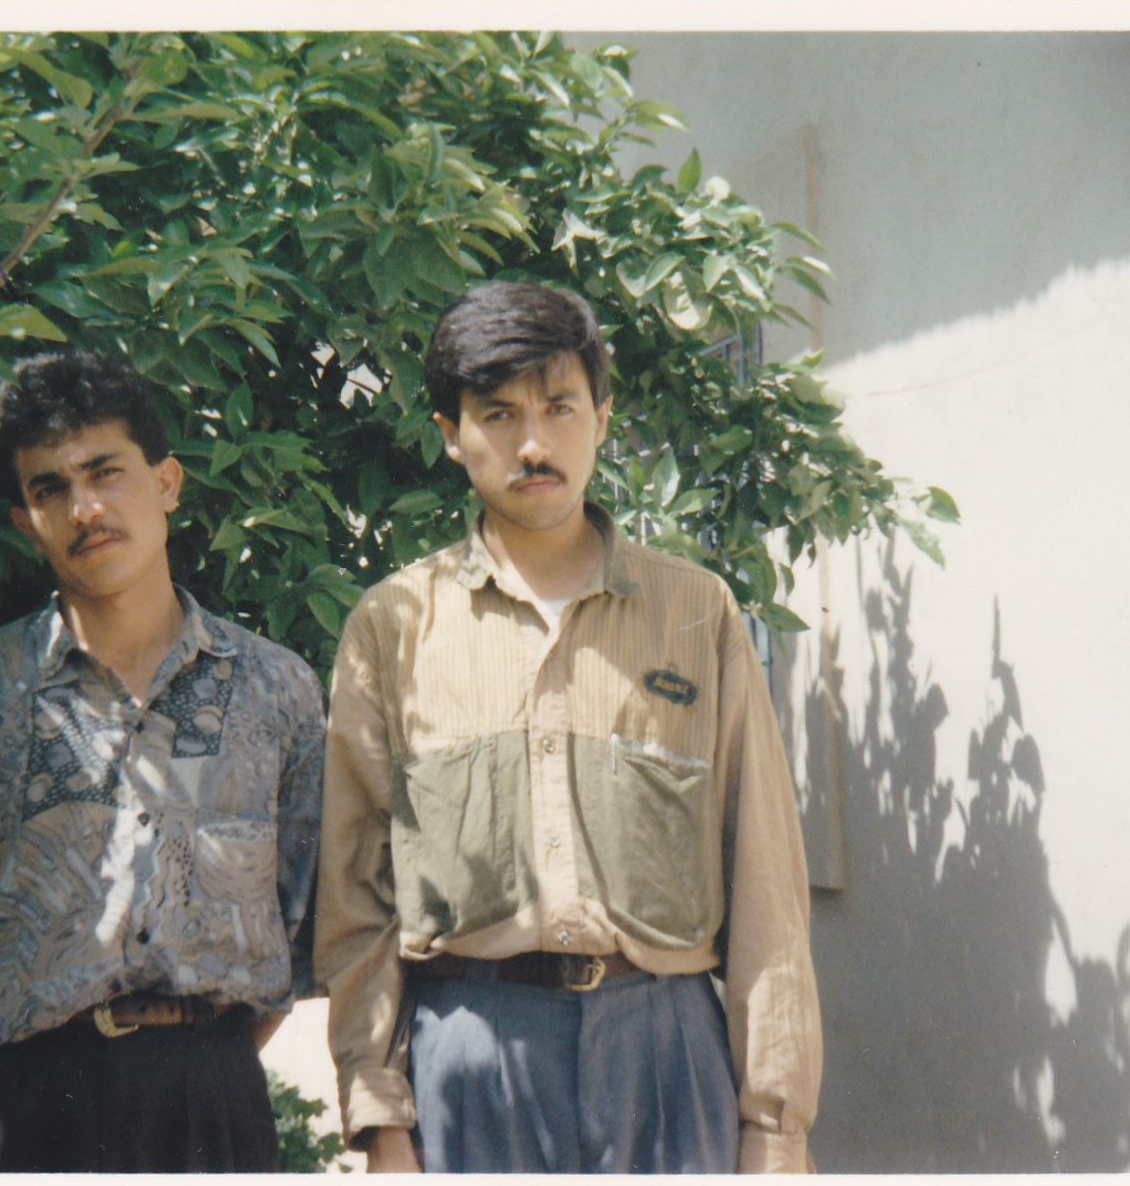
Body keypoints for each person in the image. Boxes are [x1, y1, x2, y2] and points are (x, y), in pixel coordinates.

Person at [314, 282, 822, 1174]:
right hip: (471, 1052)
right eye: (498, 414)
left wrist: (774, 1130)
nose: (533, 443)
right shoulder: (393, 626)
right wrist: (381, 1117)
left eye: (559, 407)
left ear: (602, 417)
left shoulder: (695, 613)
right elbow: (356, 897)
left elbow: (766, 882)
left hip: (666, 1049)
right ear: (450, 434)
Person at [0, 350, 326, 1172]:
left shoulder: (276, 691)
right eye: (49, 488)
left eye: (105, 472)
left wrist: (196, 1052)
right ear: (26, 522)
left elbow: (301, 914)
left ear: (166, 482)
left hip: (209, 1099)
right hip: (19, 1104)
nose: (84, 508)